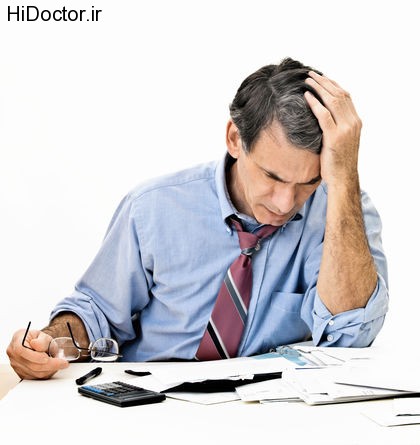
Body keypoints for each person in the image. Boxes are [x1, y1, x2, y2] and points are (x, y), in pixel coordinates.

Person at [7, 57, 389, 379]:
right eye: (272, 176)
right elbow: (96, 312)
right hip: (149, 404)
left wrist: (342, 179)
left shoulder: (342, 213)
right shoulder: (153, 208)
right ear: (235, 139)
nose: (285, 202)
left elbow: (351, 337)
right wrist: (49, 341)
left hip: (270, 418)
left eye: (308, 181)